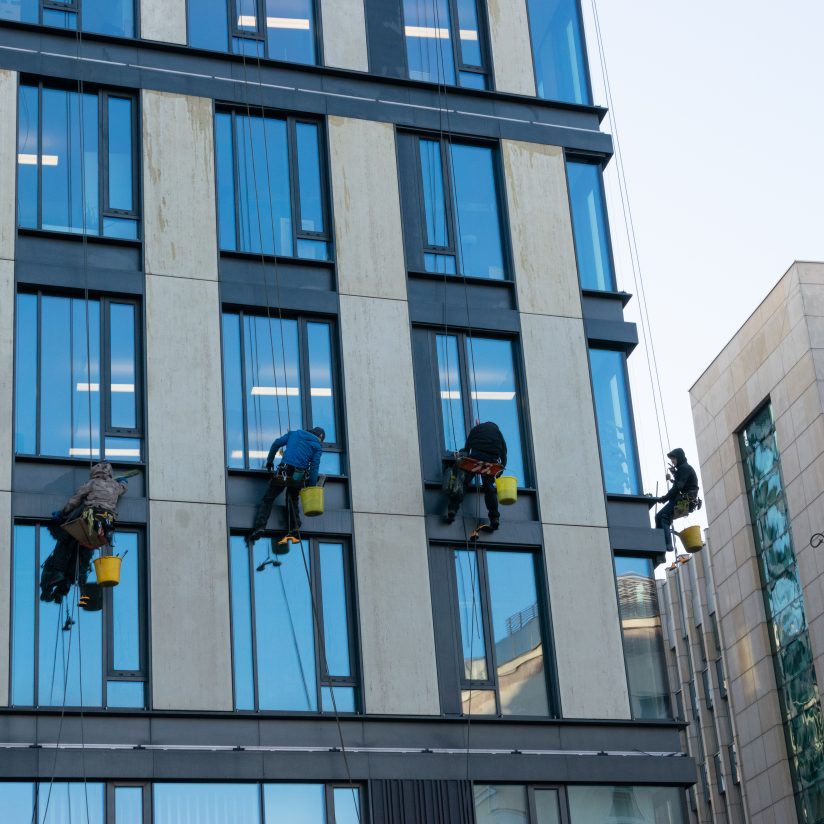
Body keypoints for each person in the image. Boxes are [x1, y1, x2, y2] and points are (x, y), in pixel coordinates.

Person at [40, 461, 129, 603]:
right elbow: (124, 486)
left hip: (90, 520)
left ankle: (58, 573)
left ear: (94, 472)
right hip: (106, 524)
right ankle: (67, 581)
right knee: (83, 553)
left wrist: (62, 514)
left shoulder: (92, 483)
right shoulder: (116, 486)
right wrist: (123, 481)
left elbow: (75, 500)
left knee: (66, 538)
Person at [247, 427, 325, 547]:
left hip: (284, 472)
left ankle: (259, 528)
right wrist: (311, 487)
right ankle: (295, 526)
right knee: (292, 498)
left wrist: (270, 461)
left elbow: (276, 444)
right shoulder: (317, 446)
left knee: (268, 499)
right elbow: (314, 468)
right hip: (298, 476)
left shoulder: (294, 434)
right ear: (320, 437)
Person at [445, 421, 507, 529]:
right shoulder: (498, 432)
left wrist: (463, 457)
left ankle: (452, 509)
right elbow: (503, 453)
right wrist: (500, 470)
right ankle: (494, 518)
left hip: (475, 458)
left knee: (464, 483)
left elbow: (467, 448)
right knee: (489, 489)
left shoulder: (476, 429)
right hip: (490, 461)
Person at [654, 448, 700, 550]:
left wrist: (665, 498)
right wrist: (675, 473)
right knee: (658, 517)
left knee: (663, 517)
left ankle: (667, 544)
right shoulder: (682, 469)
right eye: (671, 459)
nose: (672, 461)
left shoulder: (685, 468)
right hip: (684, 500)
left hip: (685, 501)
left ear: (679, 457)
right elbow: (683, 483)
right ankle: (660, 544)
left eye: (674, 458)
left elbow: (678, 487)